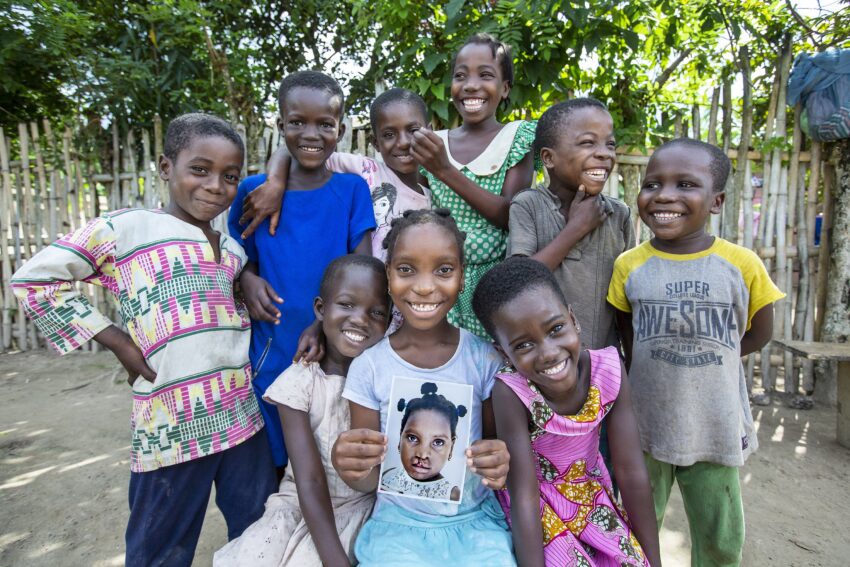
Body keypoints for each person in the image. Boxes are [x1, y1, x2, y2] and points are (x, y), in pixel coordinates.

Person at [11, 113, 276, 567]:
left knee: (259, 531)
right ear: (165, 166)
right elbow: (35, 279)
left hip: (240, 420)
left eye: (230, 176)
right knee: (160, 549)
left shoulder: (232, 249)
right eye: (200, 169)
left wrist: (246, 274)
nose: (215, 185)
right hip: (171, 428)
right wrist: (117, 341)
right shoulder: (125, 229)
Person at [607, 138, 785, 567]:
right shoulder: (629, 265)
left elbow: (759, 332)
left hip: (715, 424)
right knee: (634, 525)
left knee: (719, 535)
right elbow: (628, 336)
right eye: (653, 184)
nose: (665, 195)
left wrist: (713, 358)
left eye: (686, 184)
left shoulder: (741, 264)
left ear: (717, 200)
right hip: (647, 425)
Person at [331, 209, 515, 566]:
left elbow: (495, 451)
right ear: (387, 276)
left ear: (462, 277)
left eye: (444, 270)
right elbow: (368, 481)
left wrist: (499, 462)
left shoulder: (484, 361)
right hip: (397, 529)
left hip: (476, 525)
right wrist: (349, 465)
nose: (425, 286)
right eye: (406, 269)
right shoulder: (369, 368)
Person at [227, 70, 376, 472]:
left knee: (329, 457)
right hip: (271, 346)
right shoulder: (254, 191)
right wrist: (246, 279)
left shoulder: (351, 190)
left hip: (334, 350)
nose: (311, 133)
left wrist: (322, 324)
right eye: (297, 122)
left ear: (341, 129)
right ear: (280, 125)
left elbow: (362, 272)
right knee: (274, 463)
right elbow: (239, 258)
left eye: (324, 124)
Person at [472, 257, 661, 567]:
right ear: (503, 352)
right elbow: (524, 495)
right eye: (523, 345)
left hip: (591, 500)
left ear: (573, 320)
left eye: (556, 328)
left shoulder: (609, 370)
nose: (548, 352)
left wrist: (653, 561)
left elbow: (631, 473)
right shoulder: (511, 392)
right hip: (536, 508)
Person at [214, 255, 391, 566]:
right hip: (301, 503)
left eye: (376, 312)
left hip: (365, 505)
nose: (361, 319)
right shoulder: (300, 382)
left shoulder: (386, 378)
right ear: (321, 310)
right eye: (347, 304)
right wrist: (334, 559)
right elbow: (309, 480)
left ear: (389, 322)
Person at [410, 33, 537, 339]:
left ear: (505, 88)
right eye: (460, 75)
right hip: (440, 281)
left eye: (486, 75)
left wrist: (444, 169)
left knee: (490, 370)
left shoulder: (518, 138)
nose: (471, 85)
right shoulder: (433, 143)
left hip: (494, 284)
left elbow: (510, 214)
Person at [236, 87, 432, 262]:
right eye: (389, 134)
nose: (403, 142)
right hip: (367, 294)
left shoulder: (438, 192)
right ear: (375, 142)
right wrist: (274, 183)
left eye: (413, 130)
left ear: (430, 131)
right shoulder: (366, 170)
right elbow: (297, 150)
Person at [508, 98, 633, 351]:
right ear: (549, 158)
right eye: (588, 143)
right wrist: (576, 228)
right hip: (544, 361)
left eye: (610, 145)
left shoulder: (618, 214)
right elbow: (519, 282)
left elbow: (627, 301)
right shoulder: (528, 205)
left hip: (602, 364)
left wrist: (629, 362)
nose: (604, 153)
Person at [381, 381, 468, 502]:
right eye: (413, 438)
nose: (422, 455)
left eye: (438, 442)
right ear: (401, 437)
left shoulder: (452, 495)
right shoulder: (387, 476)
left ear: (451, 447)